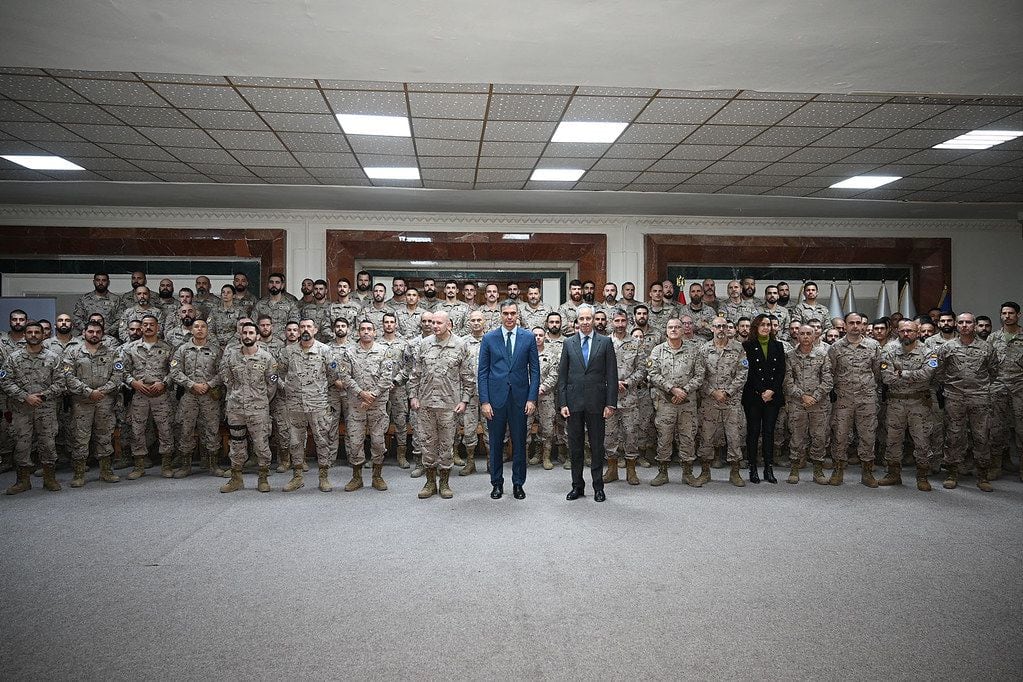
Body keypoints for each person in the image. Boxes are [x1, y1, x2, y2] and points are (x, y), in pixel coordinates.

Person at [478, 300, 540, 500]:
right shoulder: (489, 338)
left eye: (513, 313)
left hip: (520, 400)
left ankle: (518, 484)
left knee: (520, 443)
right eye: (506, 313)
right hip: (495, 400)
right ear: (500, 315)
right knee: (495, 444)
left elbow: (535, 371)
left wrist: (532, 398)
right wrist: (484, 401)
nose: (510, 317)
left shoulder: (528, 337)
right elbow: (483, 373)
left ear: (518, 314)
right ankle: (497, 483)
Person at [409, 311, 473, 499]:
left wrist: (464, 400)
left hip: (448, 406)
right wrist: (413, 396)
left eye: (439, 323)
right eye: (433, 323)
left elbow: (468, 377)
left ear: (449, 325)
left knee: (446, 446)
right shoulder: (424, 344)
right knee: (427, 444)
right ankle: (429, 483)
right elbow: (415, 373)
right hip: (426, 404)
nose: (434, 326)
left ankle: (444, 483)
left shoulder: (460, 345)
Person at [558, 305, 618, 502]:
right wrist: (563, 402)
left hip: (597, 403)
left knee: (597, 447)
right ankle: (577, 486)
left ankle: (598, 487)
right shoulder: (568, 343)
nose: (585, 322)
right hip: (573, 404)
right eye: (581, 319)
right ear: (577, 321)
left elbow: (612, 375)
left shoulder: (605, 342)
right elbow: (563, 376)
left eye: (588, 319)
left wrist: (610, 404)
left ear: (594, 320)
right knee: (575, 448)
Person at [1, 322, 65, 494]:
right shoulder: (14, 358)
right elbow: (5, 381)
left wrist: (43, 395)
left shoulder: (53, 357)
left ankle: (49, 478)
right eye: (30, 332)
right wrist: (25, 396)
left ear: (43, 334)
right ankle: (23, 481)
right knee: (22, 444)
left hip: (46, 408)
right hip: (22, 408)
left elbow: (61, 383)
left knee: (48, 443)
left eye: (37, 332)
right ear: (25, 335)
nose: (34, 335)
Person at [937, 312, 998, 491]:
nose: (965, 325)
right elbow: (939, 371)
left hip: (979, 397)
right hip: (954, 397)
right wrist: (950, 386)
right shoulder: (947, 347)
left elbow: (993, 371)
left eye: (969, 322)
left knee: (981, 436)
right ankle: (952, 472)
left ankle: (982, 475)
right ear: (956, 324)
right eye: (961, 322)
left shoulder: (987, 348)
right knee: (954, 435)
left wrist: (979, 387)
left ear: (974, 325)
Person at [878, 319, 939, 491]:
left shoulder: (929, 351)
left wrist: (901, 373)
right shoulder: (889, 350)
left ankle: (922, 476)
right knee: (893, 440)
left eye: (910, 331)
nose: (906, 334)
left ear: (918, 332)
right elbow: (886, 377)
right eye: (903, 330)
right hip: (895, 402)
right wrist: (913, 375)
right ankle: (893, 474)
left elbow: (927, 374)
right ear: (897, 331)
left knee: (922, 441)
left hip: (919, 403)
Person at [218, 322, 279, 493]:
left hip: (258, 408)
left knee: (261, 444)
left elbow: (272, 384)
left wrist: (260, 399)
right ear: (241, 335)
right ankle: (236, 478)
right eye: (245, 332)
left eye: (251, 332)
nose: (247, 335)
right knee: (236, 444)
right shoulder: (231, 357)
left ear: (257, 336)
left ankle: (263, 476)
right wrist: (234, 395)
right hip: (236, 409)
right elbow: (227, 379)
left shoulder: (267, 358)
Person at [120, 314, 176, 479]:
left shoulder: (168, 347)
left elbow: (175, 370)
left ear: (158, 327)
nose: (148, 327)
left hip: (161, 394)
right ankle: (139, 465)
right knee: (137, 429)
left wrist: (164, 383)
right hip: (139, 394)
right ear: (141, 328)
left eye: (152, 324)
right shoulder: (130, 348)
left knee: (165, 429)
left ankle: (166, 464)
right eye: (145, 325)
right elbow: (122, 370)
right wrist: (133, 382)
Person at [741, 314, 786, 484]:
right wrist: (762, 391)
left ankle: (769, 468)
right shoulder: (747, 346)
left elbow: (781, 371)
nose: (766, 327)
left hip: (772, 397)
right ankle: (753, 467)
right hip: (753, 396)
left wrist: (771, 391)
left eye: (768, 324)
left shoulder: (778, 346)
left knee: (769, 432)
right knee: (753, 432)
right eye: (762, 324)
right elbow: (748, 372)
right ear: (756, 327)